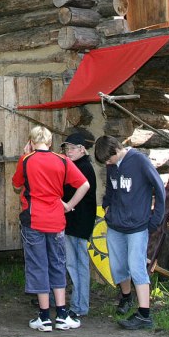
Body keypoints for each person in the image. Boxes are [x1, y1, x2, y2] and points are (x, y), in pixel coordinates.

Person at [12, 125, 89, 332]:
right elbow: (84, 184)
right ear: (50, 141)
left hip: (34, 220)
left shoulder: (26, 160)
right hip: (56, 219)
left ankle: (44, 316)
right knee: (57, 263)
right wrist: (69, 205)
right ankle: (62, 314)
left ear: (31, 141)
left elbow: (17, 184)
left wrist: (26, 155)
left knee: (38, 265)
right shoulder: (62, 160)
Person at [94, 134, 166, 331]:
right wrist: (107, 207)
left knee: (137, 267)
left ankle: (144, 314)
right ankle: (126, 297)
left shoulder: (140, 161)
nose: (108, 164)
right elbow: (110, 190)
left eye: (109, 159)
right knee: (118, 267)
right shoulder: (111, 166)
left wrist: (155, 221)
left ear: (116, 150)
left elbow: (160, 190)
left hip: (137, 227)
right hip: (115, 225)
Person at [61, 132, 97, 318]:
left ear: (83, 149)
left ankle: (80, 305)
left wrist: (67, 206)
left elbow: (81, 190)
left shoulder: (83, 167)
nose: (69, 151)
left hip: (79, 221)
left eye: (73, 148)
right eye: (67, 148)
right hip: (73, 222)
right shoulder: (76, 165)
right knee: (72, 264)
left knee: (78, 264)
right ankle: (78, 303)